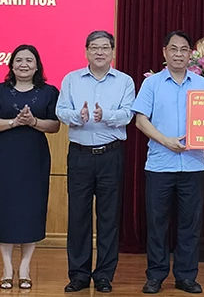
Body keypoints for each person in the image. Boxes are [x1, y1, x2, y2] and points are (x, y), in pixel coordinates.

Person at [132, 31, 204, 294]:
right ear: (164, 52)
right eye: (173, 49)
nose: (178, 54)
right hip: (159, 165)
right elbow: (140, 120)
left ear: (191, 54)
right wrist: (165, 141)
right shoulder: (152, 84)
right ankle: (155, 275)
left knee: (190, 225)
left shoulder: (203, 85)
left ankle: (186, 276)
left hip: (193, 165)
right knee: (157, 224)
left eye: (184, 49)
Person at [57, 31, 135, 293]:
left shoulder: (124, 81)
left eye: (105, 48)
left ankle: (104, 275)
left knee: (108, 217)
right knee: (78, 216)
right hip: (80, 155)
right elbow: (60, 111)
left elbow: (128, 114)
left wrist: (106, 116)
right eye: (94, 47)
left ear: (112, 52)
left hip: (111, 155)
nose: (100, 52)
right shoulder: (71, 79)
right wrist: (77, 116)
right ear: (86, 51)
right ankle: (78, 275)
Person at [0, 44, 61, 290]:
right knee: (5, 209)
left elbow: (55, 126)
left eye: (29, 60)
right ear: (11, 65)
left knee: (31, 210)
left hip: (35, 158)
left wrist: (33, 121)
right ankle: (7, 267)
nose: (23, 64)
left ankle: (25, 267)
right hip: (5, 158)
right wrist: (13, 122)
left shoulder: (49, 92)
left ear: (37, 66)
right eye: (19, 60)